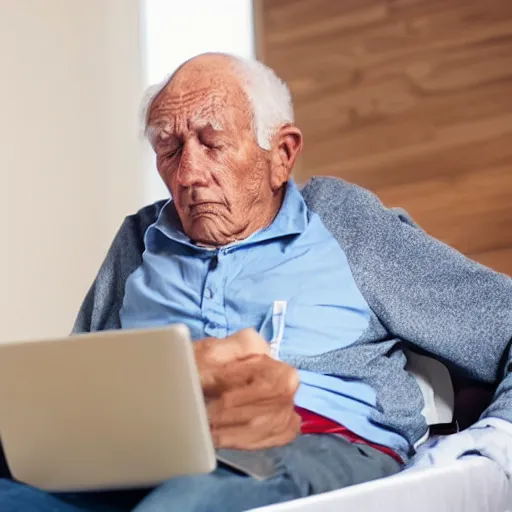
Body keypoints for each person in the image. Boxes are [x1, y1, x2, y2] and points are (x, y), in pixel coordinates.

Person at [1, 52, 512, 512]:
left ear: (282, 155)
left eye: (212, 142)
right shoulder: (138, 240)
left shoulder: (343, 221)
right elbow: (72, 390)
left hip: (314, 443)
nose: (187, 174)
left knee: (186, 503)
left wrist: (490, 445)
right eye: (169, 148)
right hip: (142, 454)